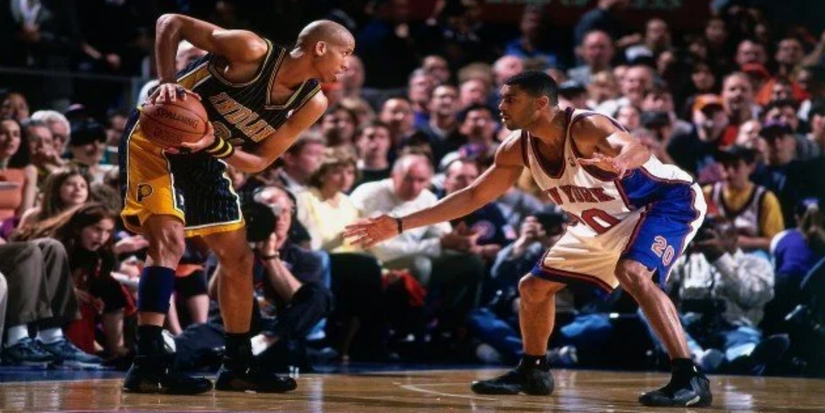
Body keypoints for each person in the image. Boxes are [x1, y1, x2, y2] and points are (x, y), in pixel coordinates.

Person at [345, 71, 710, 407]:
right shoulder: (517, 147)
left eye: (509, 99)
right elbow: (473, 196)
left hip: (665, 202)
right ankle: (533, 369)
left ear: (539, 103)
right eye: (501, 99)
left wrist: (621, 161)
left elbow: (636, 146)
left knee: (632, 272)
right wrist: (399, 223)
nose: (500, 107)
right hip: (603, 220)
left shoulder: (584, 127)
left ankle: (689, 377)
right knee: (533, 288)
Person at [118, 14, 354, 394]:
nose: (347, 63)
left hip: (207, 154)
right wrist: (167, 86)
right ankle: (147, 364)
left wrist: (214, 144)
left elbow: (260, 161)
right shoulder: (251, 49)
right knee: (169, 242)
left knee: (240, 258)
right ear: (320, 47)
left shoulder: (313, 102)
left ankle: (238, 364)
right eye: (345, 53)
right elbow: (168, 22)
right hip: (154, 142)